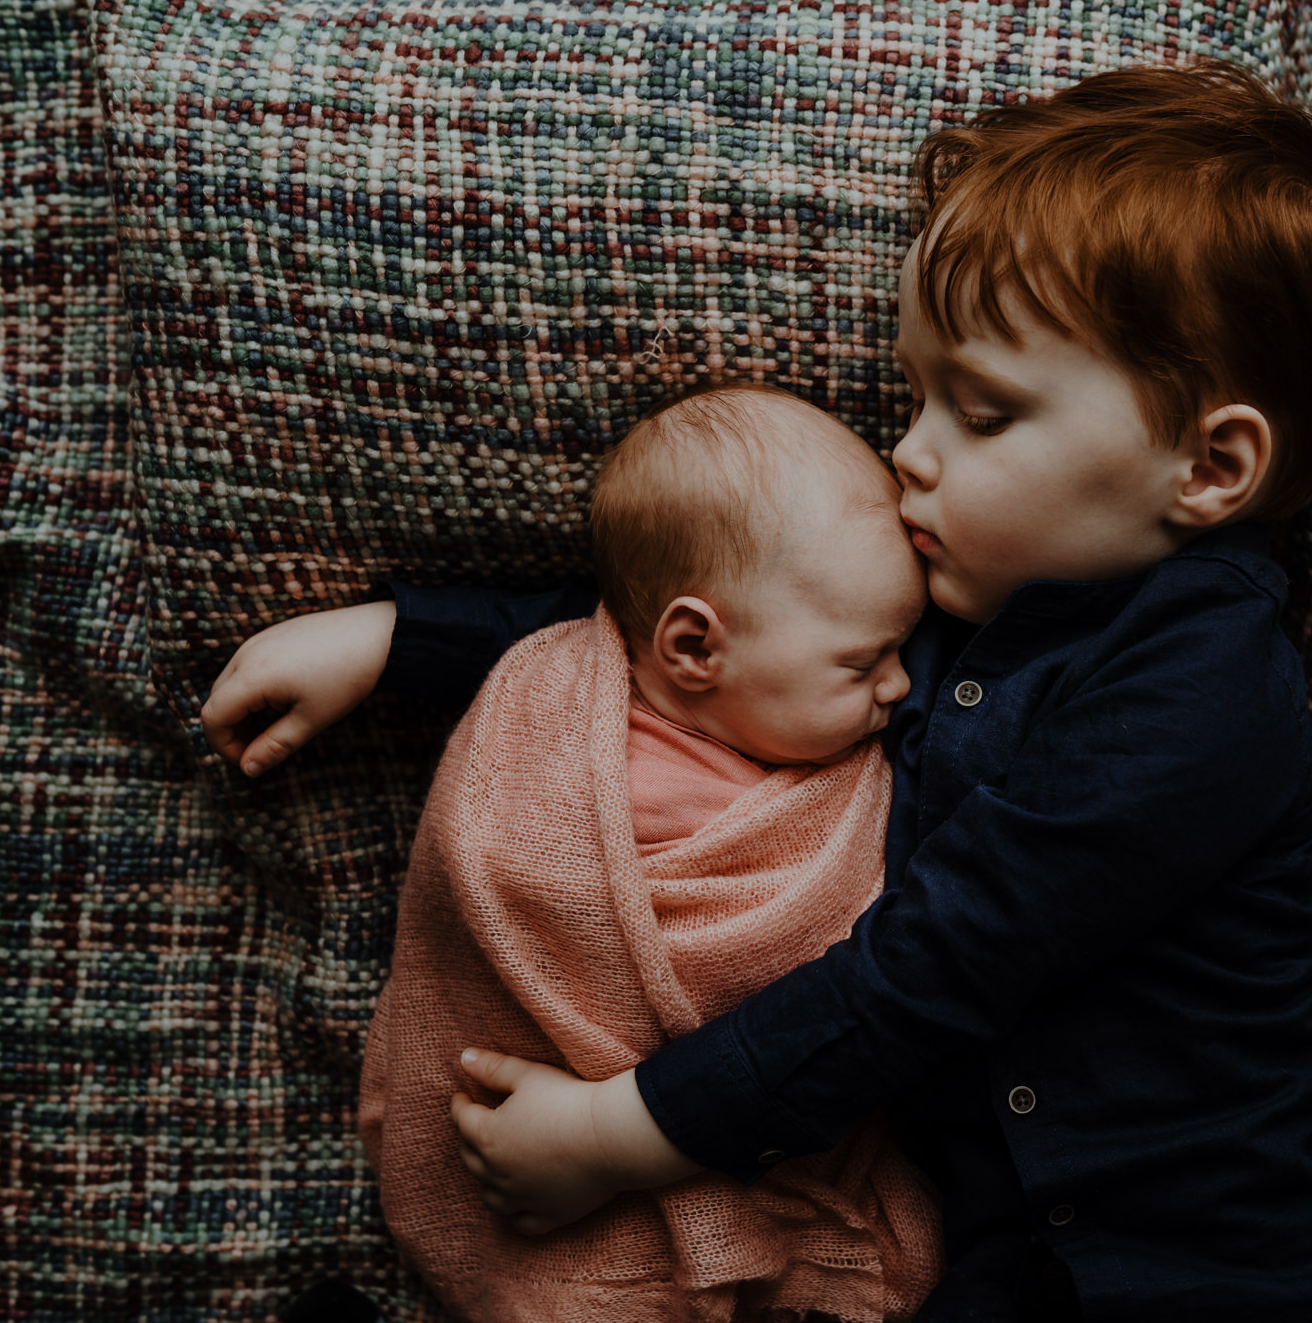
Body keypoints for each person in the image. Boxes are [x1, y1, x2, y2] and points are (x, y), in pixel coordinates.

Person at [205, 59, 1312, 1322]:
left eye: (981, 412)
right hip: (989, 1264)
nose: (907, 450)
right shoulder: (963, 615)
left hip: (1212, 1274)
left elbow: (934, 966)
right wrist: (394, 641)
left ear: (1209, 463)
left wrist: (631, 1134)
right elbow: (710, 636)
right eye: (917, 395)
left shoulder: (1202, 693)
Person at [346, 384, 941, 1322]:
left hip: (674, 1132)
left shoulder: (826, 760)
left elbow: (844, 990)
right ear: (694, 645)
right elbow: (504, 874)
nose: (902, 687)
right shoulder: (545, 717)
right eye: (864, 663)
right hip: (534, 1129)